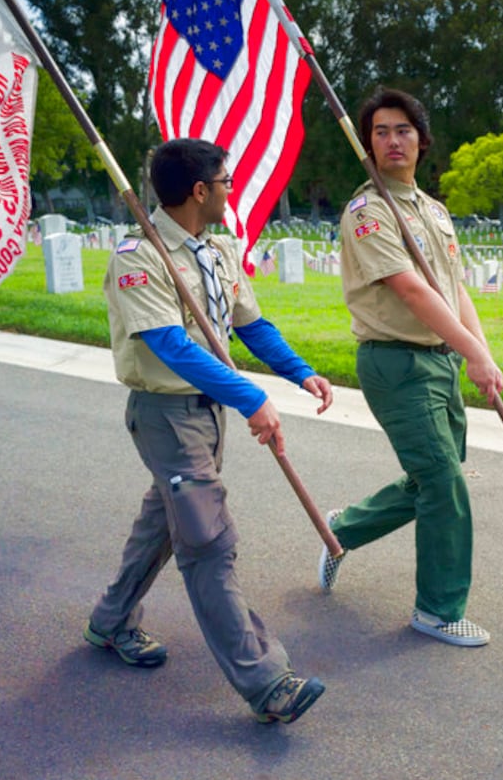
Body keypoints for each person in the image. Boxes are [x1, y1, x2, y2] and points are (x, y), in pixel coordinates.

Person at [85, 137, 334, 725]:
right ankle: (268, 682)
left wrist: (300, 373)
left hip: (207, 414)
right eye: (226, 181)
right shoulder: (139, 256)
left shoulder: (218, 249)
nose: (231, 190)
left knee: (165, 524)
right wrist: (250, 397)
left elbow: (249, 324)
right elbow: (168, 345)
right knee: (207, 542)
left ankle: (111, 620)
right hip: (166, 415)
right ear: (200, 191)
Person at [320, 87, 503, 647]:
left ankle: (341, 529)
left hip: (439, 362)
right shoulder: (368, 211)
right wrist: (471, 352)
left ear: (421, 140)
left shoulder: (432, 210)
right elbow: (411, 291)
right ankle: (437, 611)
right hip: (395, 363)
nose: (391, 140)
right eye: (379, 132)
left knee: (431, 477)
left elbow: (452, 289)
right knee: (446, 483)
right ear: (368, 145)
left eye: (402, 130)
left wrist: (481, 351)